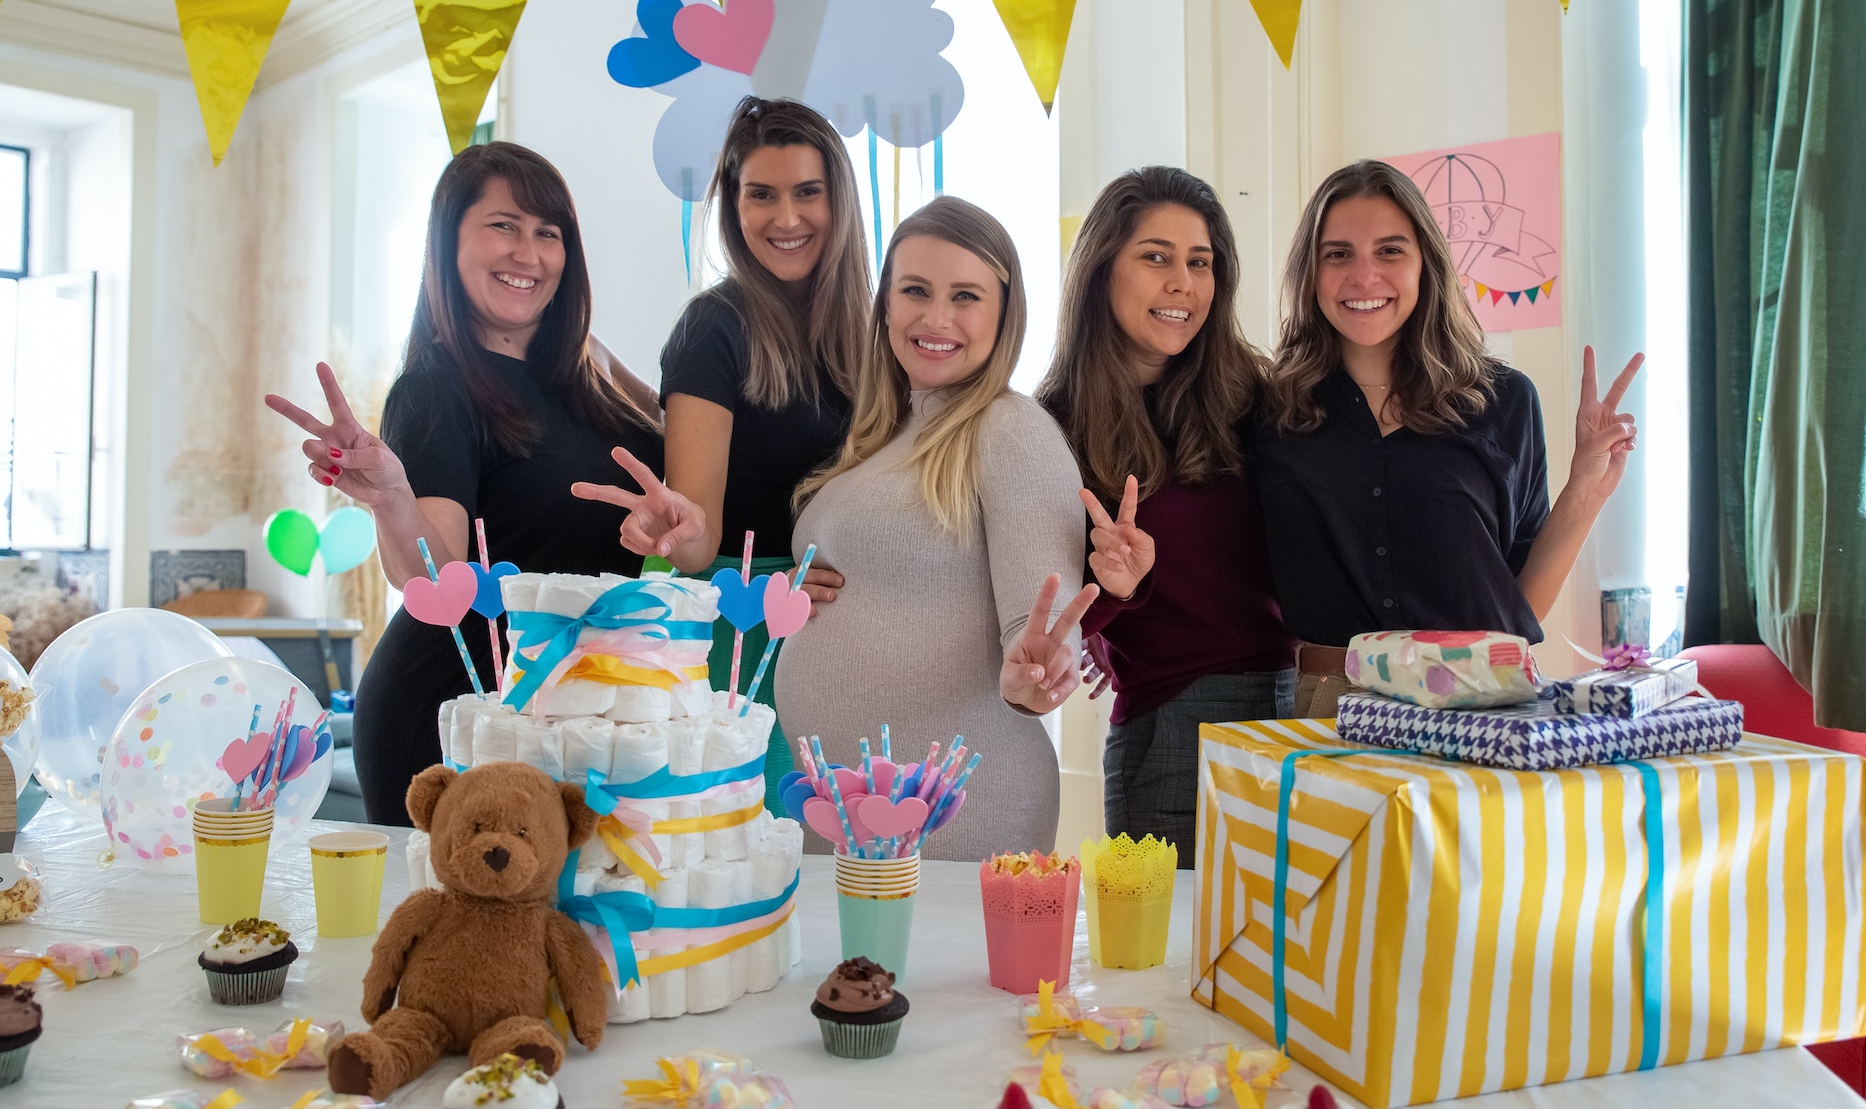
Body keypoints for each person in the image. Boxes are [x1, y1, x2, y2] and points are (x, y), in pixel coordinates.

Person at [585, 197, 1097, 860]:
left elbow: (1039, 626)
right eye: (915, 290)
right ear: (885, 305)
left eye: (965, 296)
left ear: (1006, 314)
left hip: (957, 807)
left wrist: (1035, 678)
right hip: (841, 809)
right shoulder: (885, 435)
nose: (936, 318)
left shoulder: (1012, 428)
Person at [266, 142, 663, 825]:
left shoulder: (589, 362)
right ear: (449, 242)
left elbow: (686, 448)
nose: (528, 254)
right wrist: (393, 497)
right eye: (503, 226)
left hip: (579, 705)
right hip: (458, 706)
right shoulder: (436, 386)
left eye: (548, 233)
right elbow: (434, 579)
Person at [1250, 159, 1642, 715]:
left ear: (1425, 264)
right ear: (1310, 272)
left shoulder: (1504, 400)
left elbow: (1520, 604)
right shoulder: (1270, 413)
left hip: (1484, 704)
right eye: (1338, 254)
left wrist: (1586, 486)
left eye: (1390, 251)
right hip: (1332, 706)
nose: (1364, 276)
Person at [1034, 167, 1295, 866]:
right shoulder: (1050, 427)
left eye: (1200, 262)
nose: (1183, 282)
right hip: (1176, 728)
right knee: (1170, 939)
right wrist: (1115, 594)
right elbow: (1054, 623)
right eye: (1156, 257)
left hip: (1300, 707)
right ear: (1101, 270)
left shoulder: (1255, 394)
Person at [643, 97, 871, 808]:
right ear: (732, 206)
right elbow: (695, 540)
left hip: (847, 641)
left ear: (839, 201)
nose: (787, 217)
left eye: (808, 192)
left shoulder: (875, 329)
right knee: (752, 847)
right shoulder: (713, 329)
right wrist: (682, 535)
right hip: (743, 635)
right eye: (761, 195)